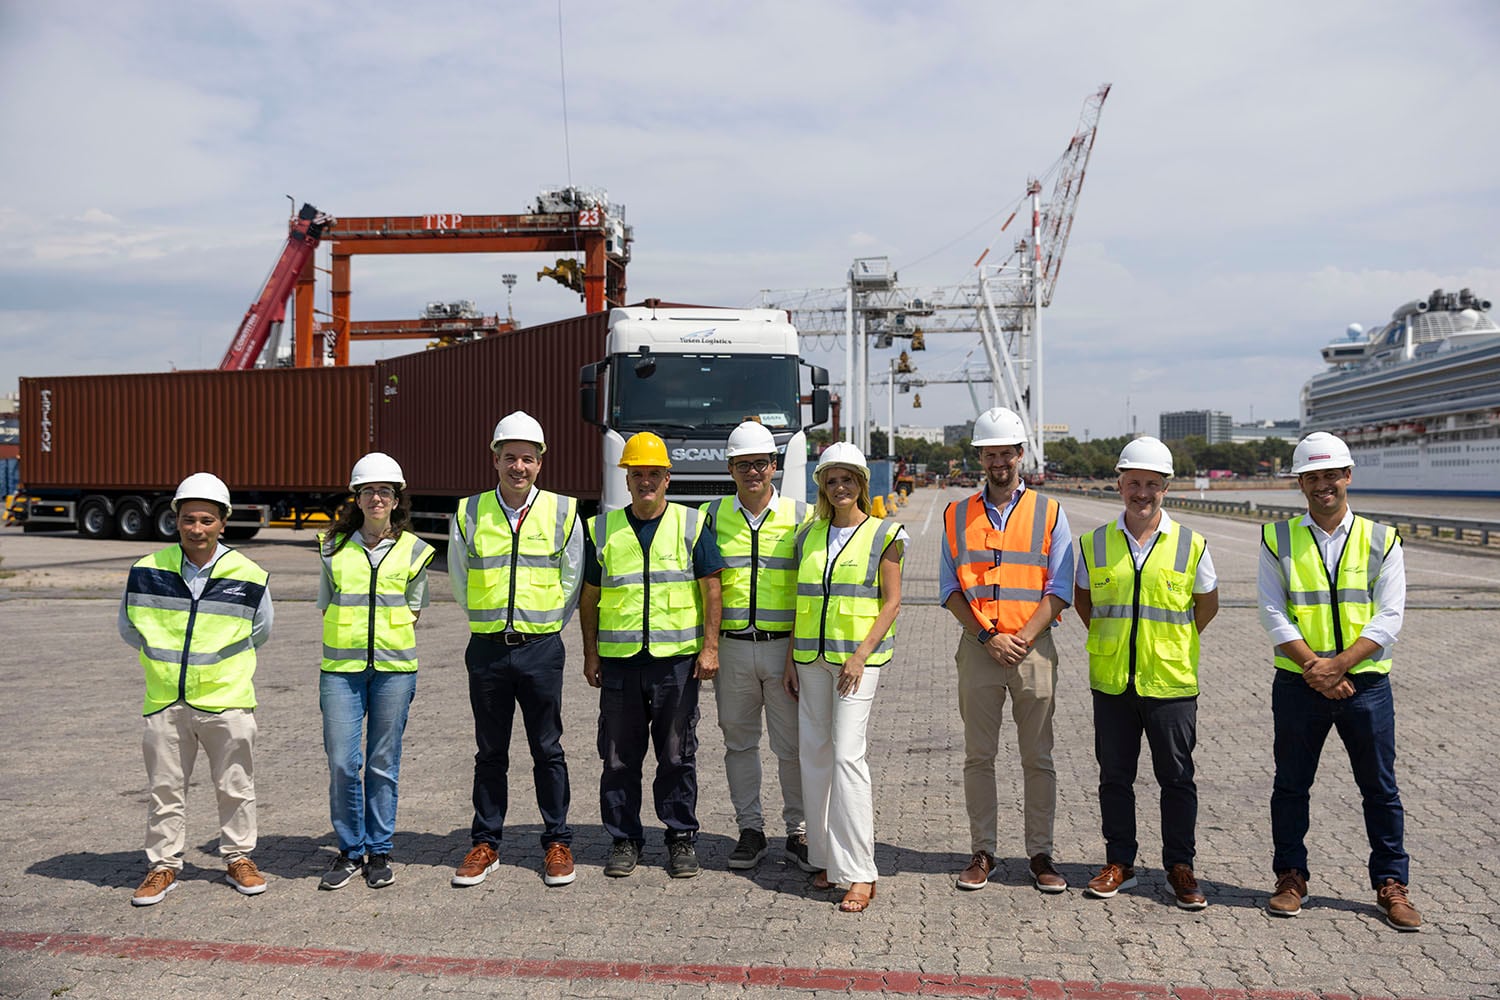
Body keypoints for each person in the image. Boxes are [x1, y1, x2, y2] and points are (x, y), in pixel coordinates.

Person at [1258, 432, 1421, 931]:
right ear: (1299, 482)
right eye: (1312, 476)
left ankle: (1391, 885)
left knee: (1380, 789)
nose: (1322, 484)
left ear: (1347, 476)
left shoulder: (1381, 537)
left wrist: (1339, 665)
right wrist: (1317, 668)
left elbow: (1390, 615)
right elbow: (1272, 610)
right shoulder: (1276, 537)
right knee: (1290, 786)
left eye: (1331, 474)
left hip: (1365, 686)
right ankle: (1291, 877)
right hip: (1299, 684)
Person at [1073, 437, 1218, 909]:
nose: (1142, 492)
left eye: (1152, 484)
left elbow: (1206, 605)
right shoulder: (1094, 543)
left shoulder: (1192, 545)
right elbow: (1083, 599)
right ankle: (1121, 862)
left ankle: (1180, 866)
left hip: (1171, 683)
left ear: (1166, 488)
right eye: (1134, 482)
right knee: (1115, 777)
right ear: (1119, 485)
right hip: (1112, 682)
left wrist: (1169, 645)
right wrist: (1113, 641)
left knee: (1177, 778)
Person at [118, 473, 273, 905]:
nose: (197, 528)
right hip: (166, 699)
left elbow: (260, 630)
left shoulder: (249, 574)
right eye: (189, 519)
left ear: (223, 522)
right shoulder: (147, 570)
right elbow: (130, 627)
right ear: (176, 521)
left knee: (235, 786)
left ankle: (239, 857)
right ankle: (163, 865)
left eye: (207, 519)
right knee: (165, 789)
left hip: (227, 700)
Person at [939, 406, 1074, 894]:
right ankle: (983, 850)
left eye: (1006, 453)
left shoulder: (1051, 512)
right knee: (979, 756)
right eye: (990, 453)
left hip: (1033, 649)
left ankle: (1041, 853)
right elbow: (950, 589)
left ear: (1021, 454)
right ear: (981, 457)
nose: (999, 462)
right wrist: (987, 637)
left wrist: (1020, 637)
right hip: (980, 648)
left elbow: (1060, 587)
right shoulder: (957, 515)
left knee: (1038, 757)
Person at [580, 431, 723, 879]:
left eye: (653, 474)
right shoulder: (601, 528)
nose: (645, 482)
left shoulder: (691, 523)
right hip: (621, 664)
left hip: (675, 664)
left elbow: (712, 589)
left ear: (667, 477)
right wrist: (590, 654)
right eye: (637, 474)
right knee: (619, 758)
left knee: (677, 756)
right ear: (627, 479)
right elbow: (589, 596)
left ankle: (680, 838)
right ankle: (624, 839)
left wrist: (710, 647)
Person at [450, 411, 583, 888]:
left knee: (548, 749)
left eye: (527, 458)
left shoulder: (565, 512)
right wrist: (490, 621)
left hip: (541, 648)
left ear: (540, 463)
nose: (518, 467)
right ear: (495, 459)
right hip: (486, 649)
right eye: (510, 457)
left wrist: (543, 626)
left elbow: (572, 579)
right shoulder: (468, 512)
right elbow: (461, 580)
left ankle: (557, 842)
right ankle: (486, 844)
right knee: (490, 752)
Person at [784, 442, 904, 914]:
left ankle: (860, 872)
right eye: (831, 480)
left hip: (856, 664)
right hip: (810, 659)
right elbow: (803, 596)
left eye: (848, 479)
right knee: (813, 756)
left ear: (861, 483)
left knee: (847, 759)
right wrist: (793, 656)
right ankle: (827, 859)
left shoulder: (884, 533)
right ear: (822, 485)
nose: (840, 488)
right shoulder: (808, 535)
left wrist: (861, 655)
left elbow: (892, 601)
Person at [316, 453, 435, 891]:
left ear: (396, 497)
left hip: (393, 672)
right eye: (368, 490)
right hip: (341, 673)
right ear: (357, 498)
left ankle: (379, 850)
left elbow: (415, 611)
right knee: (344, 763)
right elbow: (326, 604)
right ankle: (350, 851)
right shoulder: (331, 548)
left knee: (384, 763)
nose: (376, 497)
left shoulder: (416, 551)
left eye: (385, 490)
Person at [701, 421, 813, 872]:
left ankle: (798, 831)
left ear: (775, 467)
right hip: (731, 649)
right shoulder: (711, 516)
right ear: (730, 468)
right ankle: (750, 829)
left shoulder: (802, 517)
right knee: (739, 743)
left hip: (782, 649)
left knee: (791, 747)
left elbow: (811, 591)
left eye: (761, 464)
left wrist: (796, 656)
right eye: (743, 464)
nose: (753, 472)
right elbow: (704, 587)